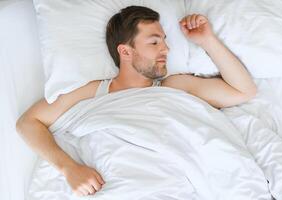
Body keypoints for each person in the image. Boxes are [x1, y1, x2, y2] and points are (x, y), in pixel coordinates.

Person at [16, 6, 257, 197]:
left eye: (164, 41)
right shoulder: (94, 93)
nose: (166, 49)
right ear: (126, 52)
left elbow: (243, 91)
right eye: (154, 42)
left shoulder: (172, 87)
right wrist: (69, 168)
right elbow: (28, 122)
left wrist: (207, 40)